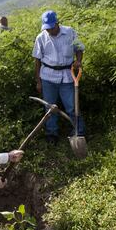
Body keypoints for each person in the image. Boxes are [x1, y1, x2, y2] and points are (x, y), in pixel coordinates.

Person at [32, 10, 86, 144]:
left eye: (51, 27)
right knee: (50, 107)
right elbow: (37, 61)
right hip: (48, 76)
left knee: (72, 106)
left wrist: (78, 61)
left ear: (57, 23)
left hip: (67, 76)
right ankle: (52, 134)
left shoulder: (70, 32)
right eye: (47, 28)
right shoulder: (41, 37)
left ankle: (78, 131)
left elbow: (79, 48)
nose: (49, 30)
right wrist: (38, 81)